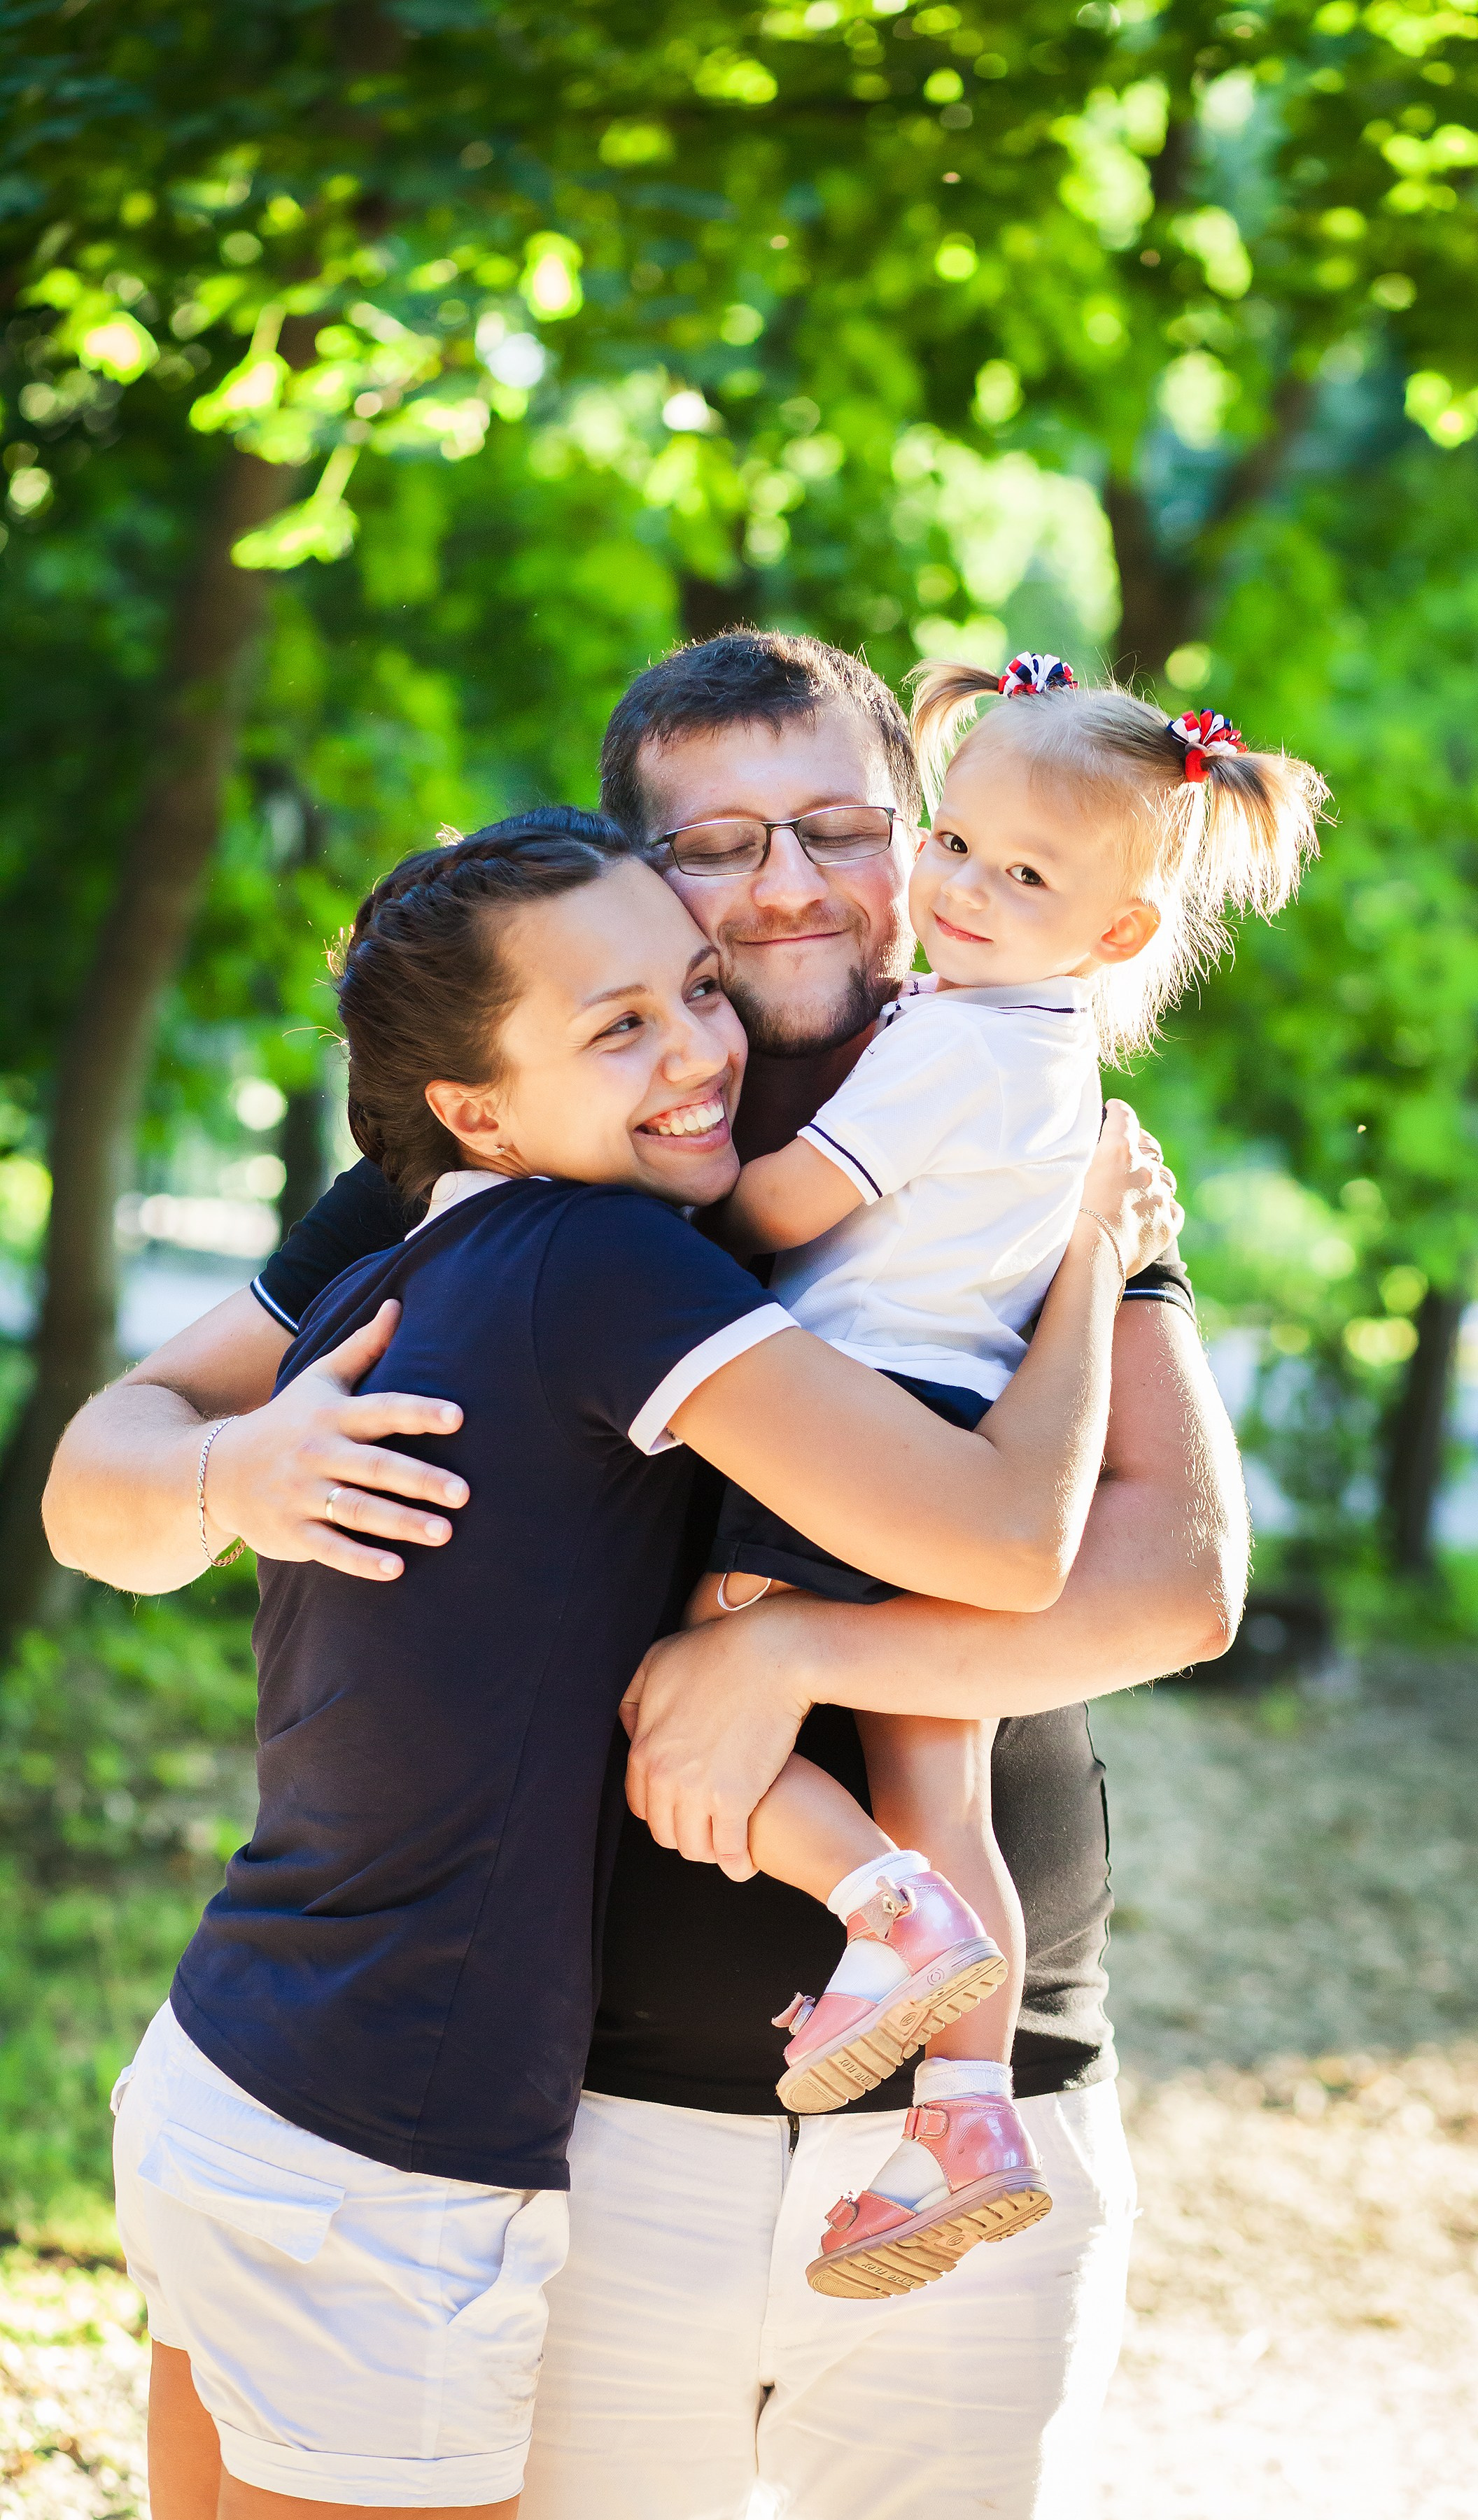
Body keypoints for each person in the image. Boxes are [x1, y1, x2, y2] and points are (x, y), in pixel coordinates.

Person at [45, 632, 1249, 2520]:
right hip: (602, 2118)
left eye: (838, 827)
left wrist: (801, 1655)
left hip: (986, 2095)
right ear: (638, 870)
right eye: (716, 846)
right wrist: (234, 1471)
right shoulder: (528, 1132)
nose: (786, 884)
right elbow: (100, 1474)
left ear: (911, 831)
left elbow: (1173, 1581)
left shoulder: (1024, 1113)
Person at [687, 653, 1323, 2305]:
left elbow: (785, 1209)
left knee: (689, 1693)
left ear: (1116, 930)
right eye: (952, 842)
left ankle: (882, 1913)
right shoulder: (1044, 1056)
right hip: (970, 1434)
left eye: (1020, 875)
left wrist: (654, 1202)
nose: (960, 888)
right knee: (941, 1783)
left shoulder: (954, 1050)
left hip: (855, 1422)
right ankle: (962, 2120)